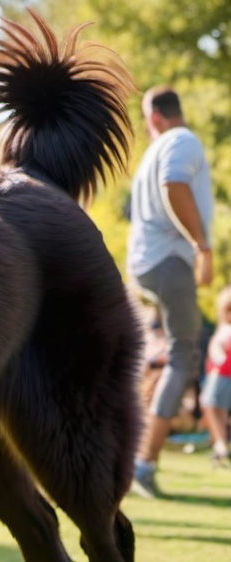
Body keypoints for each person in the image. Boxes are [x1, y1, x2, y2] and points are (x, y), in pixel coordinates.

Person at [127, 86, 215, 498]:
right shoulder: (181, 141)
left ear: (154, 117)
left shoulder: (153, 150)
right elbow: (175, 184)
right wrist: (202, 246)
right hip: (169, 262)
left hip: (147, 265)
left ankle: (131, 452)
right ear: (163, 117)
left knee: (161, 359)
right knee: (185, 357)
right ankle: (142, 464)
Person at [200, 286, 231, 468]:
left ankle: (220, 443)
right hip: (221, 373)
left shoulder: (226, 329)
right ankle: (220, 446)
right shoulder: (224, 328)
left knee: (209, 404)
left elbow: (217, 349)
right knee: (219, 410)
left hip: (220, 374)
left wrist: (219, 359)